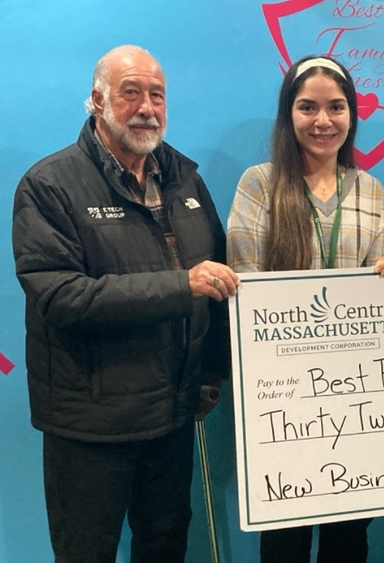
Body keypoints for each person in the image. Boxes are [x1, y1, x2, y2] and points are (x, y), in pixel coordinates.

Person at [11, 45, 239, 563]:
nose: (146, 107)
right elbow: (63, 296)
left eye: (157, 95)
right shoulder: (50, 185)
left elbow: (218, 283)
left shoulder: (186, 181)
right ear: (97, 100)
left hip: (174, 417)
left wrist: (211, 372)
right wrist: (180, 285)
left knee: (164, 550)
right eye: (130, 92)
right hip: (91, 427)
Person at [227, 55, 384, 563]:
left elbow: (376, 293)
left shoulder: (369, 190)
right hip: (282, 395)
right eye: (308, 107)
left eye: (336, 107)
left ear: (352, 115)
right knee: (286, 537)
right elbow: (246, 287)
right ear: (289, 115)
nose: (322, 120)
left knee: (349, 535)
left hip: (354, 393)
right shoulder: (258, 184)